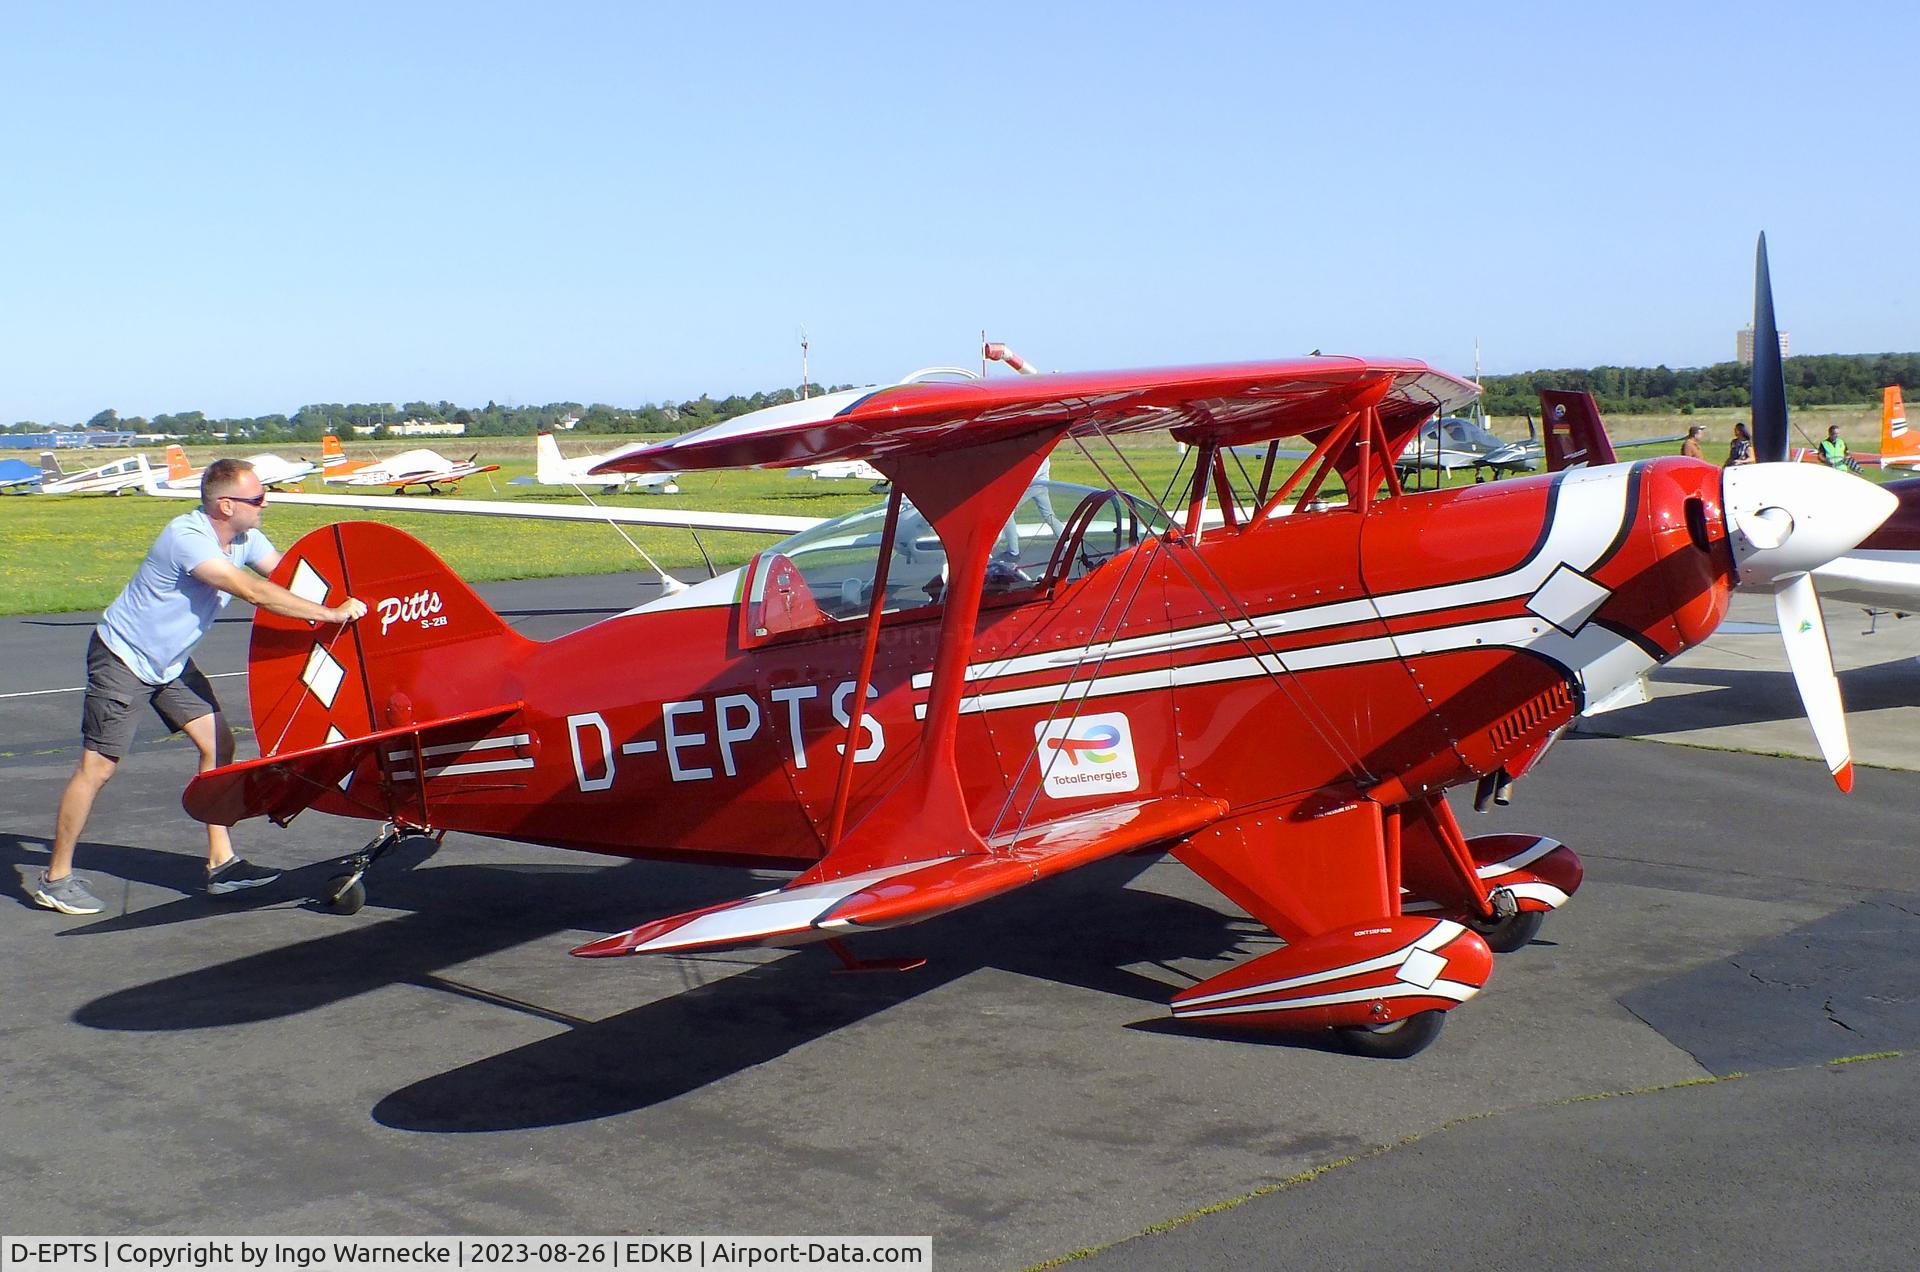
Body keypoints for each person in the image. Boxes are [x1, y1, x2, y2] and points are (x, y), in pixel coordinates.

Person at [35, 459, 369, 915]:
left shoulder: (246, 537)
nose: (265, 503)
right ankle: (55, 878)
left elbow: (289, 576)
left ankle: (221, 863)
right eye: (257, 499)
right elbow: (252, 590)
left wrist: (354, 599)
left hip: (169, 664)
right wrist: (329, 614)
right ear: (226, 504)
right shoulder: (186, 537)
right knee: (99, 769)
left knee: (220, 746)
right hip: (122, 657)